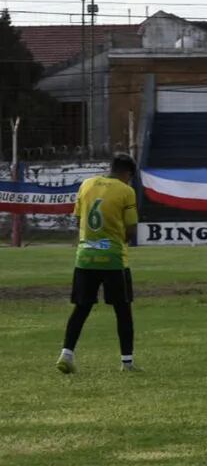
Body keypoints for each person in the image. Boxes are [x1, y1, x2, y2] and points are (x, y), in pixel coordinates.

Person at [56, 153, 140, 374]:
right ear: (128, 173)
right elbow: (131, 230)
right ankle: (127, 362)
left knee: (81, 308)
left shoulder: (86, 184)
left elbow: (77, 219)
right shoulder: (126, 191)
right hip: (113, 259)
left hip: (84, 257)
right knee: (122, 310)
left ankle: (66, 353)